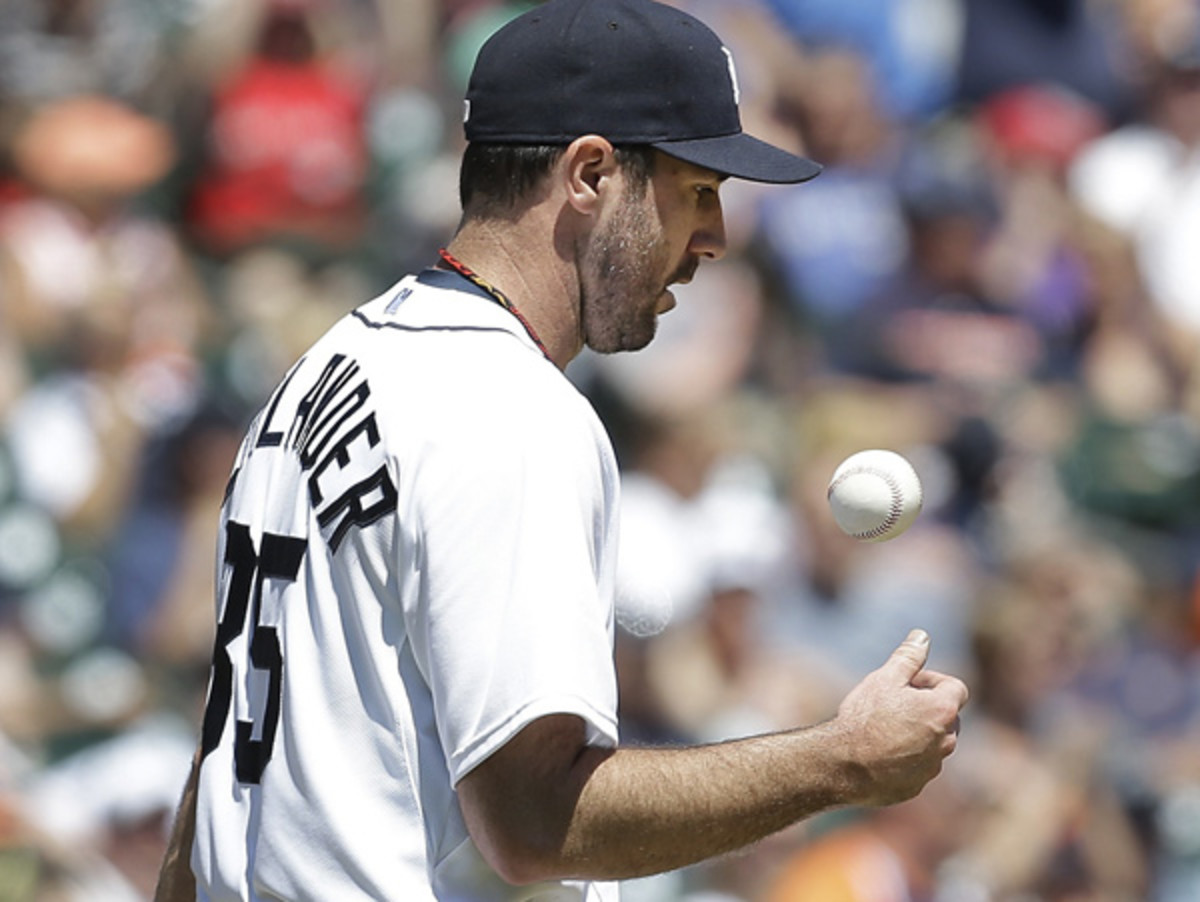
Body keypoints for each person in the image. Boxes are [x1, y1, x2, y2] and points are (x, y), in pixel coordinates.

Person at [154, 1, 969, 899]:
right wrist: (840, 760)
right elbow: (539, 821)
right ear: (589, 174)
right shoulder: (508, 408)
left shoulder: (325, 367)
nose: (715, 237)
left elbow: (216, 775)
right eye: (696, 191)